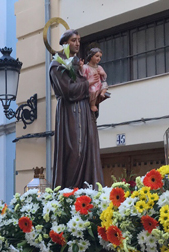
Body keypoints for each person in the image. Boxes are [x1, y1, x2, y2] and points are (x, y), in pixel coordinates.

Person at [49, 29, 105, 189]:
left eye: (79, 40)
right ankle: (70, 193)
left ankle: (88, 192)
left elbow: (87, 89)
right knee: (75, 151)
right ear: (65, 43)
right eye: (74, 40)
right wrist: (87, 84)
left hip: (85, 114)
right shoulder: (57, 65)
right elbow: (66, 90)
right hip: (69, 114)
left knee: (88, 152)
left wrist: (97, 98)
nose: (78, 43)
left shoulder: (80, 66)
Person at [81, 47, 109, 113]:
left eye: (100, 57)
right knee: (93, 90)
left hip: (98, 85)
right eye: (96, 56)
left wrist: (102, 73)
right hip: (91, 86)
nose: (99, 58)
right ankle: (92, 104)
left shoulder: (99, 67)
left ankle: (102, 93)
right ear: (91, 56)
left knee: (105, 84)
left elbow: (104, 78)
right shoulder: (85, 67)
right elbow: (82, 77)